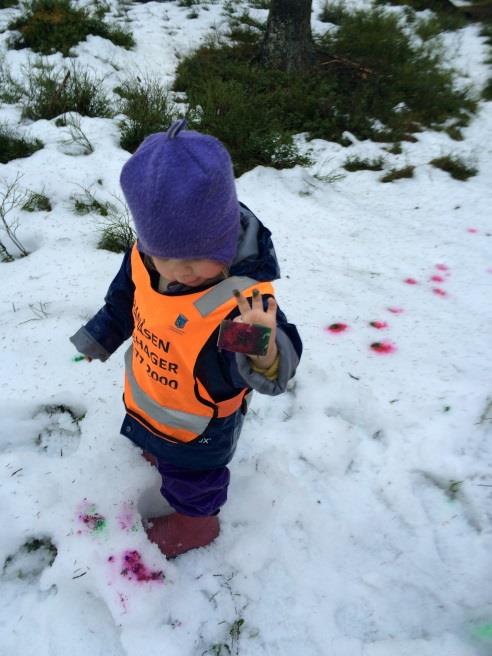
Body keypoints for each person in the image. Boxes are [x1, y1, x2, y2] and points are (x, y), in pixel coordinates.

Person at [70, 119, 302, 558]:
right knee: (156, 441)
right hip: (149, 392)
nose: (181, 271)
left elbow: (260, 372)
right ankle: (159, 453)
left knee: (194, 477)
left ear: (223, 243)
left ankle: (197, 524)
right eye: (168, 257)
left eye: (198, 258)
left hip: (201, 425)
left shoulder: (237, 300)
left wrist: (264, 348)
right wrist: (101, 336)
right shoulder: (144, 258)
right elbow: (124, 300)